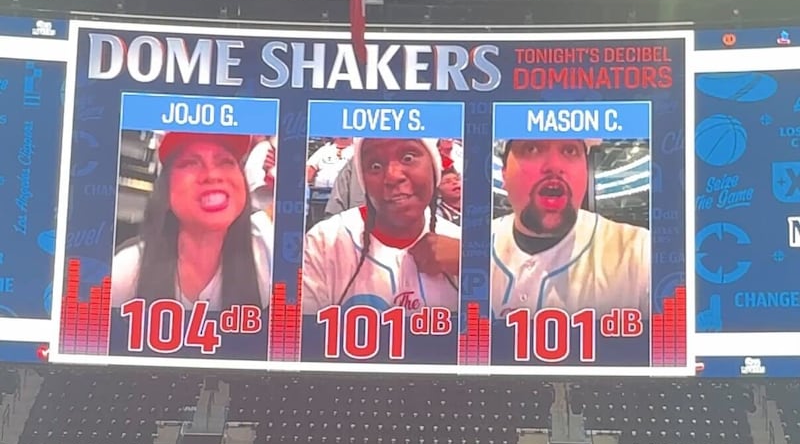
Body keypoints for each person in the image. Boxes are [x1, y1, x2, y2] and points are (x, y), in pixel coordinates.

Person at [491, 138, 649, 319]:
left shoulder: (639, 252)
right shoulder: (471, 249)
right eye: (532, 148)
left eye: (570, 151)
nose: (554, 166)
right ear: (504, 173)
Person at [111, 132, 272, 311]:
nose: (212, 175)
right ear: (165, 189)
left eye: (226, 162)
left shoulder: (269, 256)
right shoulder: (126, 271)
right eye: (190, 163)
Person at [302, 136, 460, 314]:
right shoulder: (324, 242)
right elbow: (299, 330)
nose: (392, 176)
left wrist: (470, 266)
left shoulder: (461, 245)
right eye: (375, 166)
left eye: (408, 158)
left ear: (434, 166)